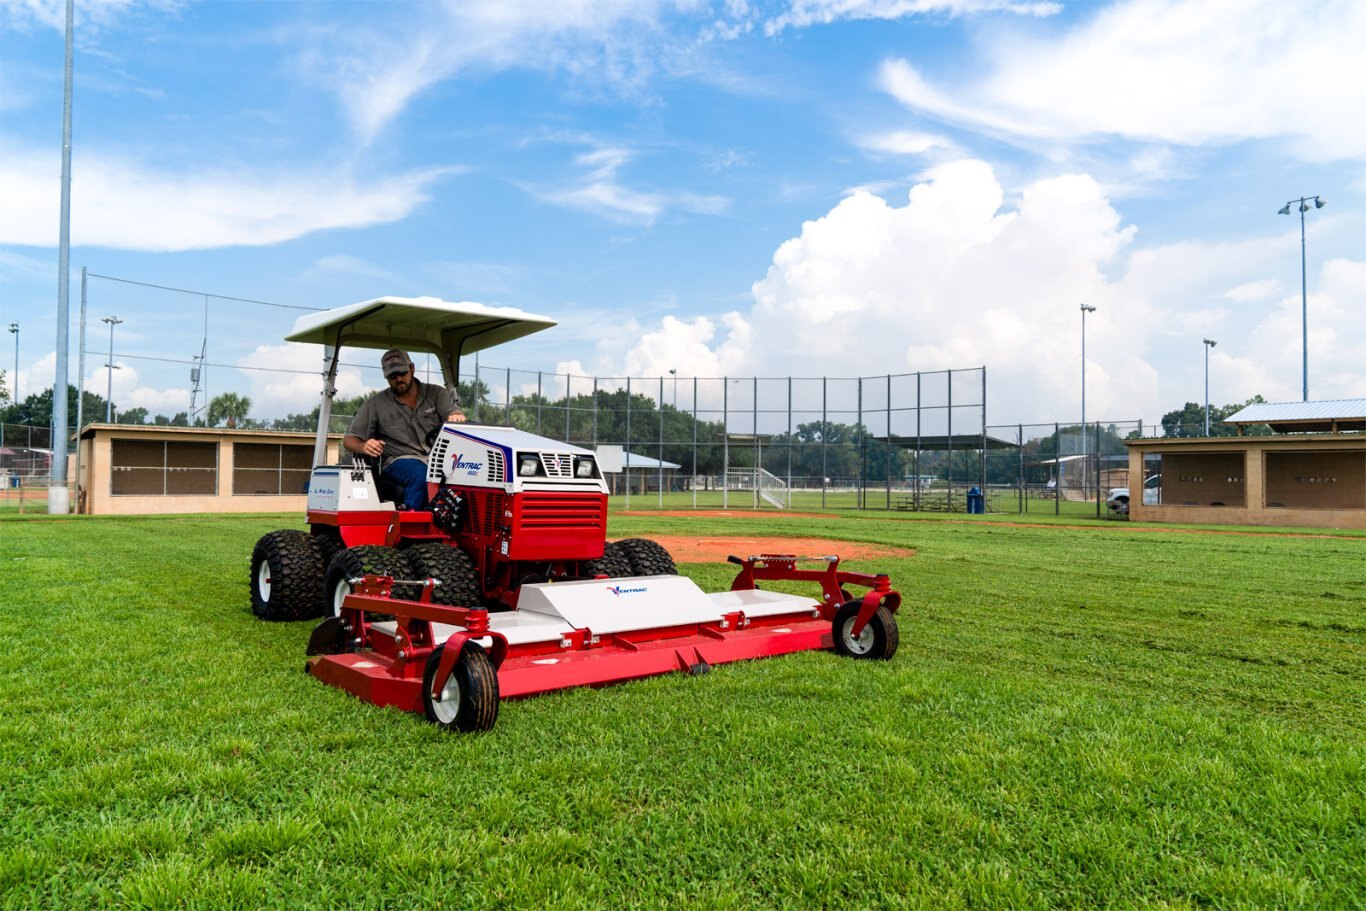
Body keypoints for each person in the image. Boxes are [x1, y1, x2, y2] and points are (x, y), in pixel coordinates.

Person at [344, 349, 466, 509]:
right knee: (422, 476)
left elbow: (453, 412)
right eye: (392, 376)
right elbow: (349, 440)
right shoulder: (375, 404)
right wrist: (363, 446)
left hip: (438, 460)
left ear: (412, 368)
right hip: (399, 460)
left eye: (402, 372)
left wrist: (456, 416)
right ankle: (413, 525)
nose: (398, 379)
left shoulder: (436, 394)